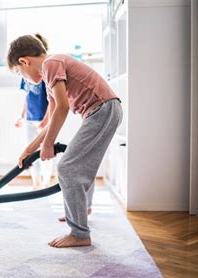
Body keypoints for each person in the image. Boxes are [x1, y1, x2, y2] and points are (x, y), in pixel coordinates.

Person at [7, 35, 122, 248]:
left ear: (24, 61)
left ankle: (79, 233)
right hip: (104, 110)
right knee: (81, 166)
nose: (21, 77)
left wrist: (49, 145)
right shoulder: (50, 79)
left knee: (68, 167)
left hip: (101, 110)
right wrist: (30, 149)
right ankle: (81, 211)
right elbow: (51, 120)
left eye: (18, 73)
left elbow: (63, 108)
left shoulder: (51, 64)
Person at [14, 33, 53, 189]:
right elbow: (26, 97)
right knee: (30, 150)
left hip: (45, 118)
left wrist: (46, 119)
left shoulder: (44, 73)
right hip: (30, 118)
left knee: (47, 150)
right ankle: (36, 181)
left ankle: (45, 181)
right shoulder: (25, 73)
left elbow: (53, 100)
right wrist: (21, 115)